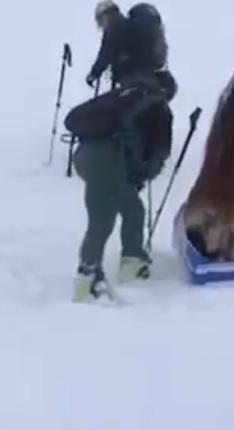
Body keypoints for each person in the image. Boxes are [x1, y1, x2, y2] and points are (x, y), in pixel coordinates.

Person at [70, 1, 176, 302]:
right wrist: (142, 175)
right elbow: (159, 153)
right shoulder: (158, 106)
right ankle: (87, 279)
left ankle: (132, 262)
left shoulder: (125, 93)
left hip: (87, 155)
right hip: (105, 159)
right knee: (102, 219)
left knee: (129, 207)